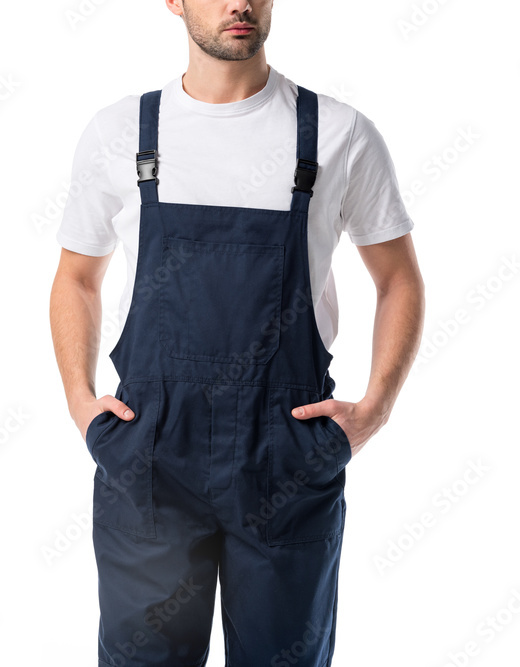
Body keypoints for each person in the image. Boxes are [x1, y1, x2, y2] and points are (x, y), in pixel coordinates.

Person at [48, 1, 425, 665]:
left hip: (285, 455)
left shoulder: (338, 133)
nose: (239, 3)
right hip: (153, 459)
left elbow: (399, 279)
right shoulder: (122, 133)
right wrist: (81, 403)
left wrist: (376, 409)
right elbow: (76, 276)